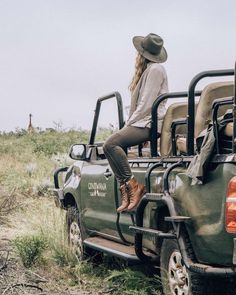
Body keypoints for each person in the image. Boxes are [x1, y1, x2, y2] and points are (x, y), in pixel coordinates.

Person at [103, 33, 168, 212]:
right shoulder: (149, 70)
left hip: (150, 123)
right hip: (143, 121)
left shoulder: (156, 70)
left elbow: (146, 105)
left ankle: (133, 185)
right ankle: (125, 187)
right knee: (110, 146)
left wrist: (127, 125)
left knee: (111, 144)